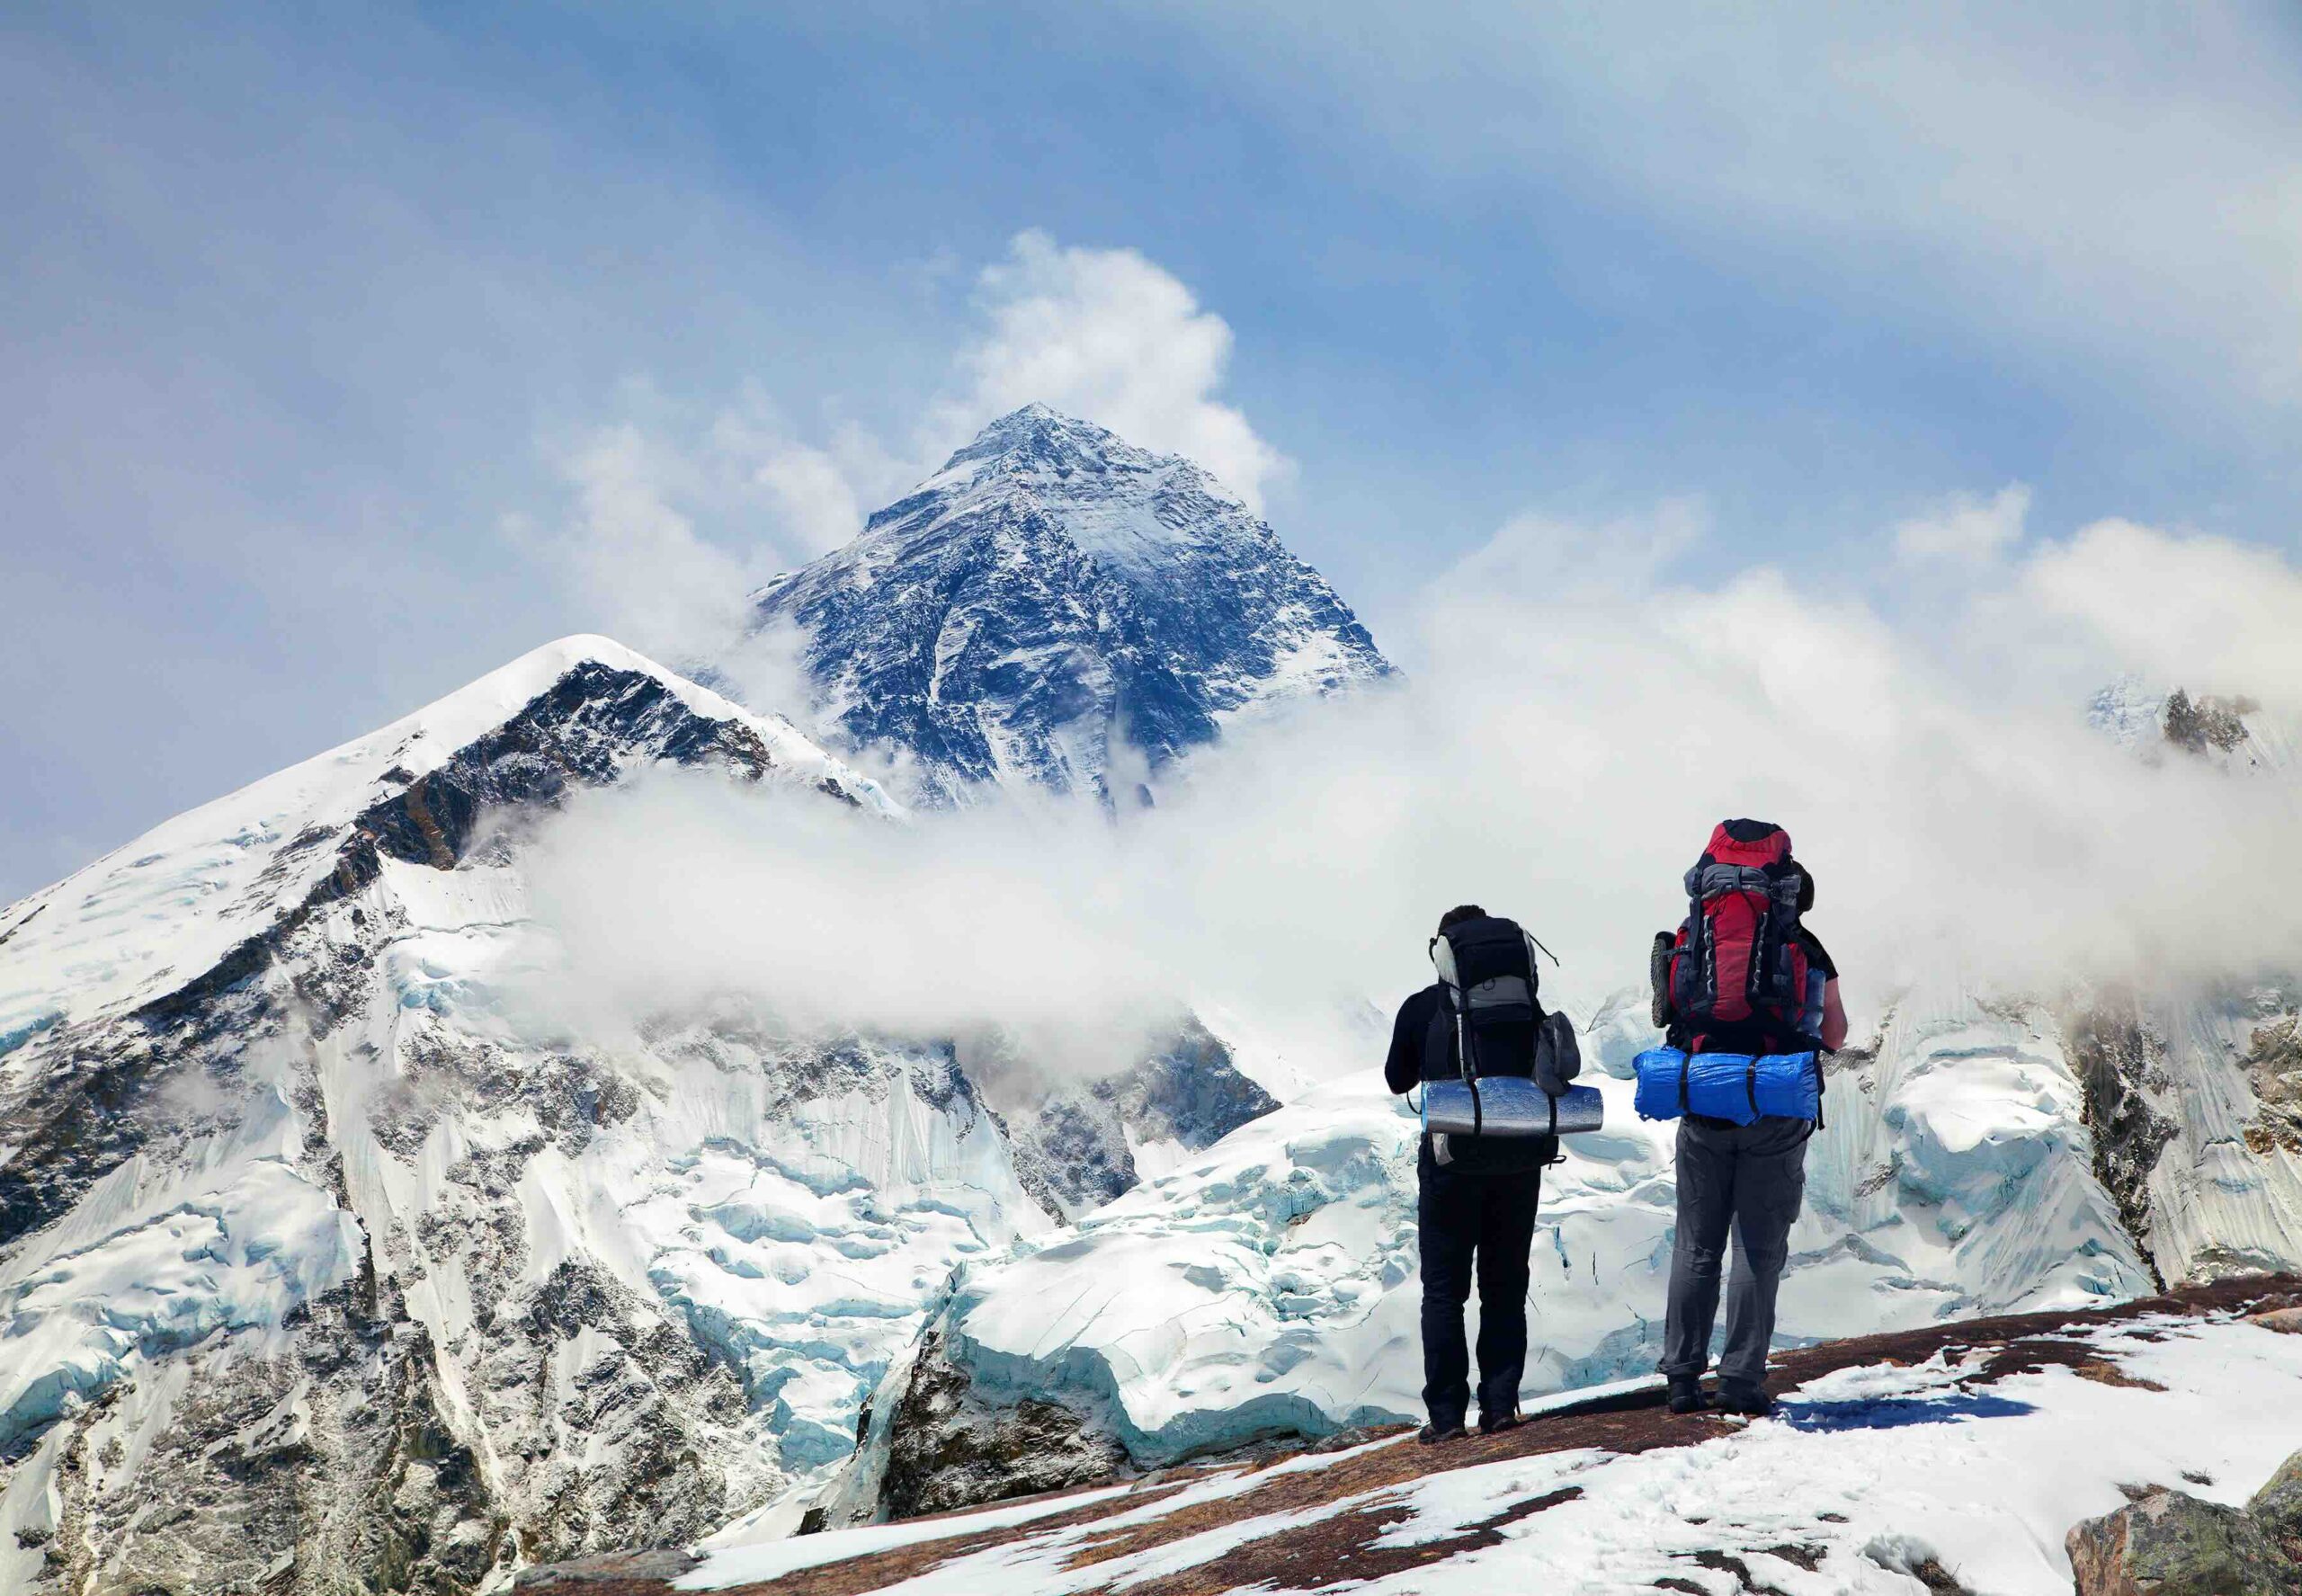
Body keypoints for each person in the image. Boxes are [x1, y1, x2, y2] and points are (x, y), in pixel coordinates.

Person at [1653, 823, 1847, 1419]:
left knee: (1696, 1243)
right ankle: (1739, 1379)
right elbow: (1836, 1033)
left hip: (1704, 1099)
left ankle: (1682, 1377)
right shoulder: (1804, 944)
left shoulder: (1691, 936)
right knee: (1757, 1249)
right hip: (1774, 1105)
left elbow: (1668, 1010)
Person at [1384, 905, 1561, 1444]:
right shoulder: (1525, 1005)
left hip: (1450, 1162)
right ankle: (1500, 1406)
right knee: (1505, 1286)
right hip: (1518, 1160)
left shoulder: (1424, 1006)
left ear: (1443, 951)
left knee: (1444, 1292)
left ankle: (1445, 1419)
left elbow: (1396, 1079)